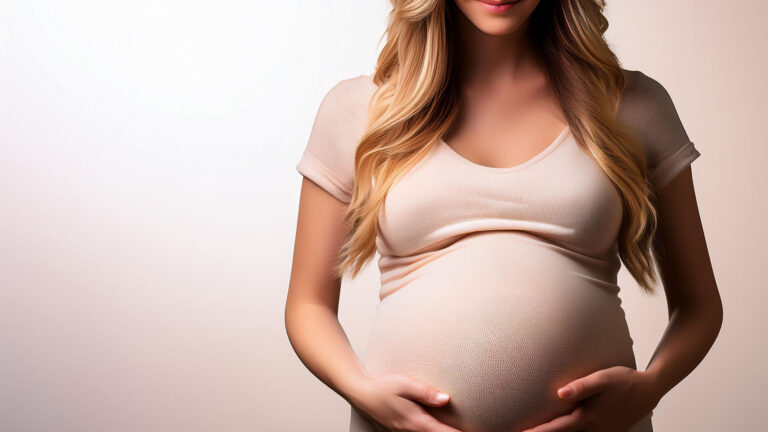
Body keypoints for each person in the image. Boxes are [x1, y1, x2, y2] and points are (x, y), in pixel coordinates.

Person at [286, 1, 723, 431]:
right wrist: (365, 394)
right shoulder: (359, 110)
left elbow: (699, 307)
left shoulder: (633, 105)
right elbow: (308, 306)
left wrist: (648, 390)